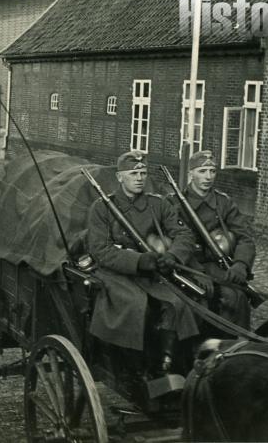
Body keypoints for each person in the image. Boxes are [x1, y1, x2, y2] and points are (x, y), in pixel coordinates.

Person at [87, 150, 199, 376]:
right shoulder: (102, 207)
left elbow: (184, 234)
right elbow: (101, 251)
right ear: (120, 177)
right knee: (135, 305)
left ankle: (166, 365)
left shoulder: (159, 204)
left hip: (153, 274)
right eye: (133, 173)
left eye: (143, 173)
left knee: (178, 304)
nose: (139, 178)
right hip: (116, 274)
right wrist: (139, 260)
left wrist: (173, 256)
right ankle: (131, 369)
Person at [168, 150, 255, 329]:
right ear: (190, 173)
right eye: (202, 171)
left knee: (237, 298)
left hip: (218, 265)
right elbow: (172, 243)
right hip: (186, 265)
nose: (208, 177)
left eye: (212, 171)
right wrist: (195, 271)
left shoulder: (224, 203)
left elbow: (245, 237)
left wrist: (241, 264)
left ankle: (232, 345)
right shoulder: (173, 204)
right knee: (193, 300)